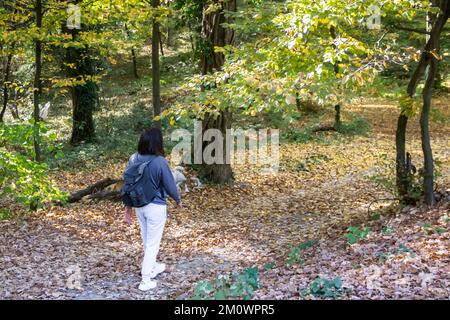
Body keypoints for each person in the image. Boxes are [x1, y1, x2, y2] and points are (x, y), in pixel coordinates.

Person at [123, 127, 182, 291]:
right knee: (152, 244)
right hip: (156, 207)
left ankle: (153, 266)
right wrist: (178, 200)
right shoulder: (160, 161)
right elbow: (170, 184)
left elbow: (128, 184)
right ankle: (145, 280)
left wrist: (127, 209)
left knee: (147, 240)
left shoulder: (133, 158)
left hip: (139, 206)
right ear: (158, 142)